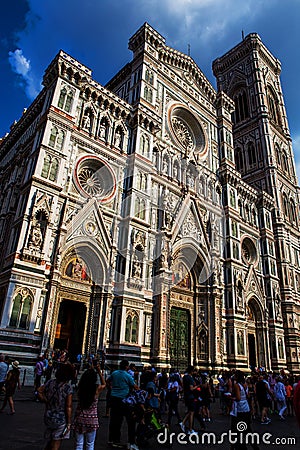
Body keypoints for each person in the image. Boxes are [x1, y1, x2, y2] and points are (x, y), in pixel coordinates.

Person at [38, 363, 74, 450]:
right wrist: (69, 423)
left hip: (48, 415)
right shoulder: (68, 387)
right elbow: (68, 406)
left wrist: (45, 400)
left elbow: (39, 390)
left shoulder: (50, 382)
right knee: (56, 442)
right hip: (60, 419)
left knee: (51, 439)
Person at [73, 365, 106, 449]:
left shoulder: (80, 389)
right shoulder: (96, 390)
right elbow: (104, 384)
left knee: (79, 444)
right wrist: (99, 371)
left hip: (80, 418)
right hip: (92, 420)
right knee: (90, 444)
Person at [108, 359, 139, 450]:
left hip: (114, 398)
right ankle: (131, 442)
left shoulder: (114, 373)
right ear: (126, 367)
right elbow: (135, 386)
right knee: (131, 421)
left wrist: (111, 388)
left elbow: (107, 381)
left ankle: (113, 440)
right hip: (124, 400)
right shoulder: (127, 375)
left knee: (114, 420)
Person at [179, 366, 197, 434]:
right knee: (192, 413)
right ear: (192, 371)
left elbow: (183, 386)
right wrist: (197, 386)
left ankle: (183, 423)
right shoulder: (190, 378)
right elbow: (191, 388)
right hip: (191, 396)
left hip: (186, 396)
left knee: (190, 412)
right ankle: (190, 429)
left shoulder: (184, 377)